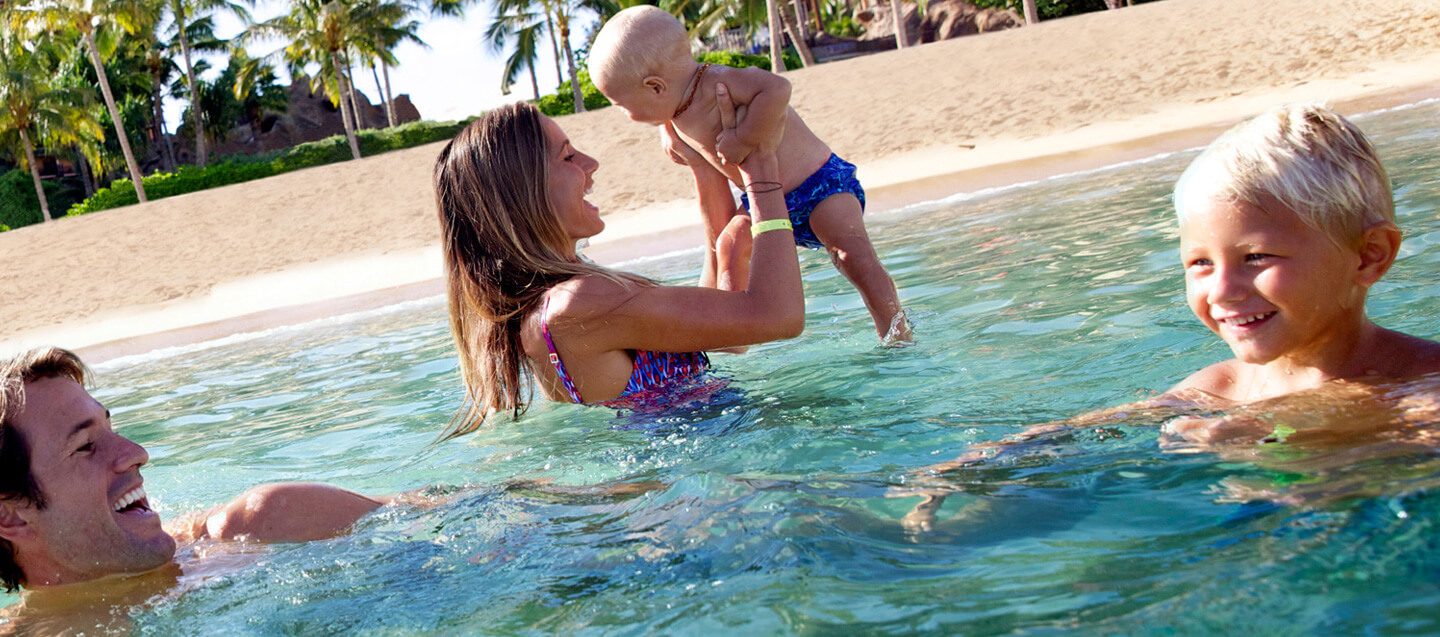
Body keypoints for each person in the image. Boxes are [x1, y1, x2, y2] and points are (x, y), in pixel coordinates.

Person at [898, 104, 1440, 529]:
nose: (1221, 290)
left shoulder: (1422, 381)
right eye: (1200, 263)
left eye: (1256, 257)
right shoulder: (1222, 386)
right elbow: (1096, 429)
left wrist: (1293, 442)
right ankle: (922, 548)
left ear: (1368, 256)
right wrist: (997, 456)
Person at [0, 346, 396, 632]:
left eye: (110, 428)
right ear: (9, 516)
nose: (135, 453)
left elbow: (442, 520)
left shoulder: (269, 526)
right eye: (85, 446)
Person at [433, 99, 806, 439]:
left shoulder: (562, 301)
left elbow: (728, 334)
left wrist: (702, 171)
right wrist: (762, 174)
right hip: (719, 458)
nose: (590, 163)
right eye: (568, 157)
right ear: (525, 194)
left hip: (706, 456)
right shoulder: (583, 301)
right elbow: (779, 315)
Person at [587, 5, 910, 343]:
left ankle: (897, 333)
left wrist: (743, 137)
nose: (623, 113)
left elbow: (777, 88)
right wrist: (665, 125)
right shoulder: (677, 109)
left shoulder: (717, 82)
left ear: (656, 87)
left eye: (620, 105)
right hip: (767, 203)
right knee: (729, 244)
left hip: (820, 184)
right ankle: (735, 334)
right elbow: (676, 114)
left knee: (852, 257)